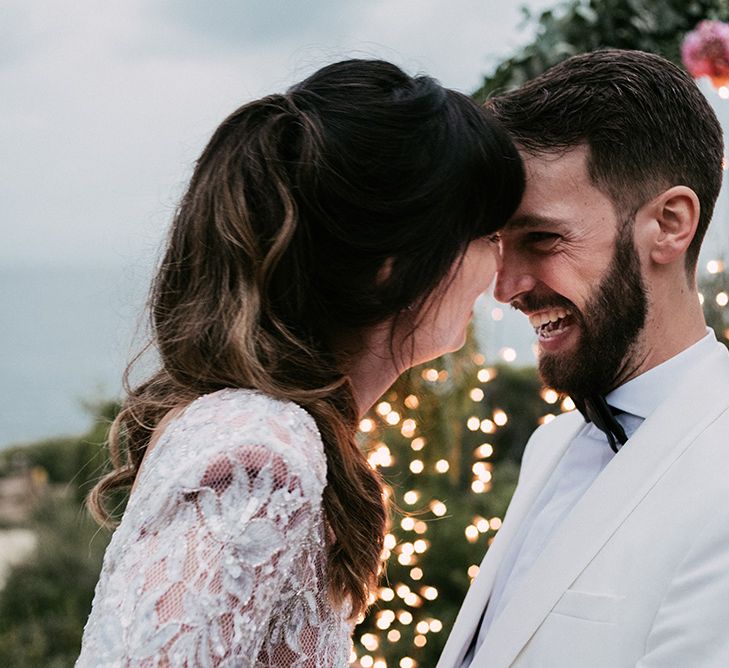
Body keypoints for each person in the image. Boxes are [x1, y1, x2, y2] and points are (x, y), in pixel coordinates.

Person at [76, 59, 524, 667]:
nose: (500, 273)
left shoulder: (272, 432)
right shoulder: (261, 453)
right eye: (484, 235)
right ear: (392, 263)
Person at [438, 49, 729, 668]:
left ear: (669, 224)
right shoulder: (553, 442)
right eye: (498, 244)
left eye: (542, 238)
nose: (506, 285)